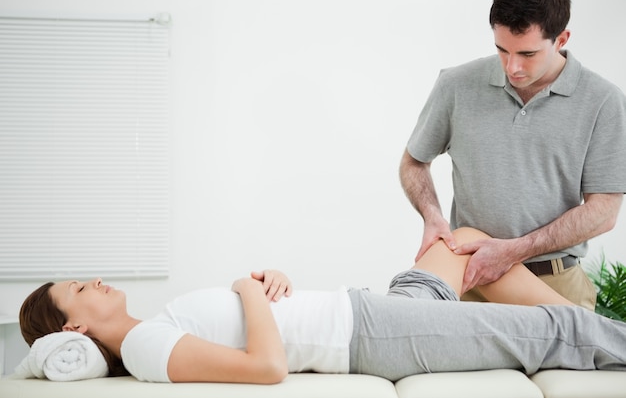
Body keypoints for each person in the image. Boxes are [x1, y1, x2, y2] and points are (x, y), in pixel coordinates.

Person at [19, 227, 626, 384]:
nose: (93, 280)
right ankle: (583, 331)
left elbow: (263, 330)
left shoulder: (153, 330)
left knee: (462, 244)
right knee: (553, 328)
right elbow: (267, 367)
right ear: (72, 325)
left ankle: (585, 329)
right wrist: (248, 288)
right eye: (78, 287)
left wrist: (270, 283)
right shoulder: (146, 347)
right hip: (371, 335)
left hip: (365, 310)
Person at [399, 0, 626, 310]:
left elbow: (604, 211)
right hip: (472, 282)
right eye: (502, 50)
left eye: (527, 53)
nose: (512, 67)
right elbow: (414, 161)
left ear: (561, 39)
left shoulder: (604, 102)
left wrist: (514, 250)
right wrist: (432, 215)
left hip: (557, 285)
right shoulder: (456, 85)